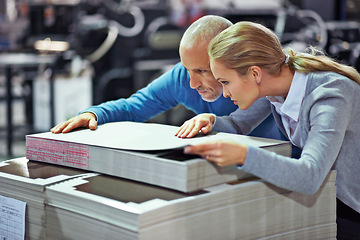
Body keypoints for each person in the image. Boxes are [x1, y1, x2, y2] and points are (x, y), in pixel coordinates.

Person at [176, 21, 360, 239]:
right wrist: (211, 120)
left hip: (351, 211)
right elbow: (237, 125)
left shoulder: (330, 95)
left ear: (254, 73)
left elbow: (310, 175)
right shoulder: (274, 86)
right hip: (328, 200)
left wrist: (243, 155)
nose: (224, 93)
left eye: (225, 82)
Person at [50, 15, 282, 142]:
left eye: (202, 71)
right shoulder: (182, 78)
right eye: (187, 68)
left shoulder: (261, 81)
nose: (191, 84)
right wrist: (94, 114)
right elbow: (133, 107)